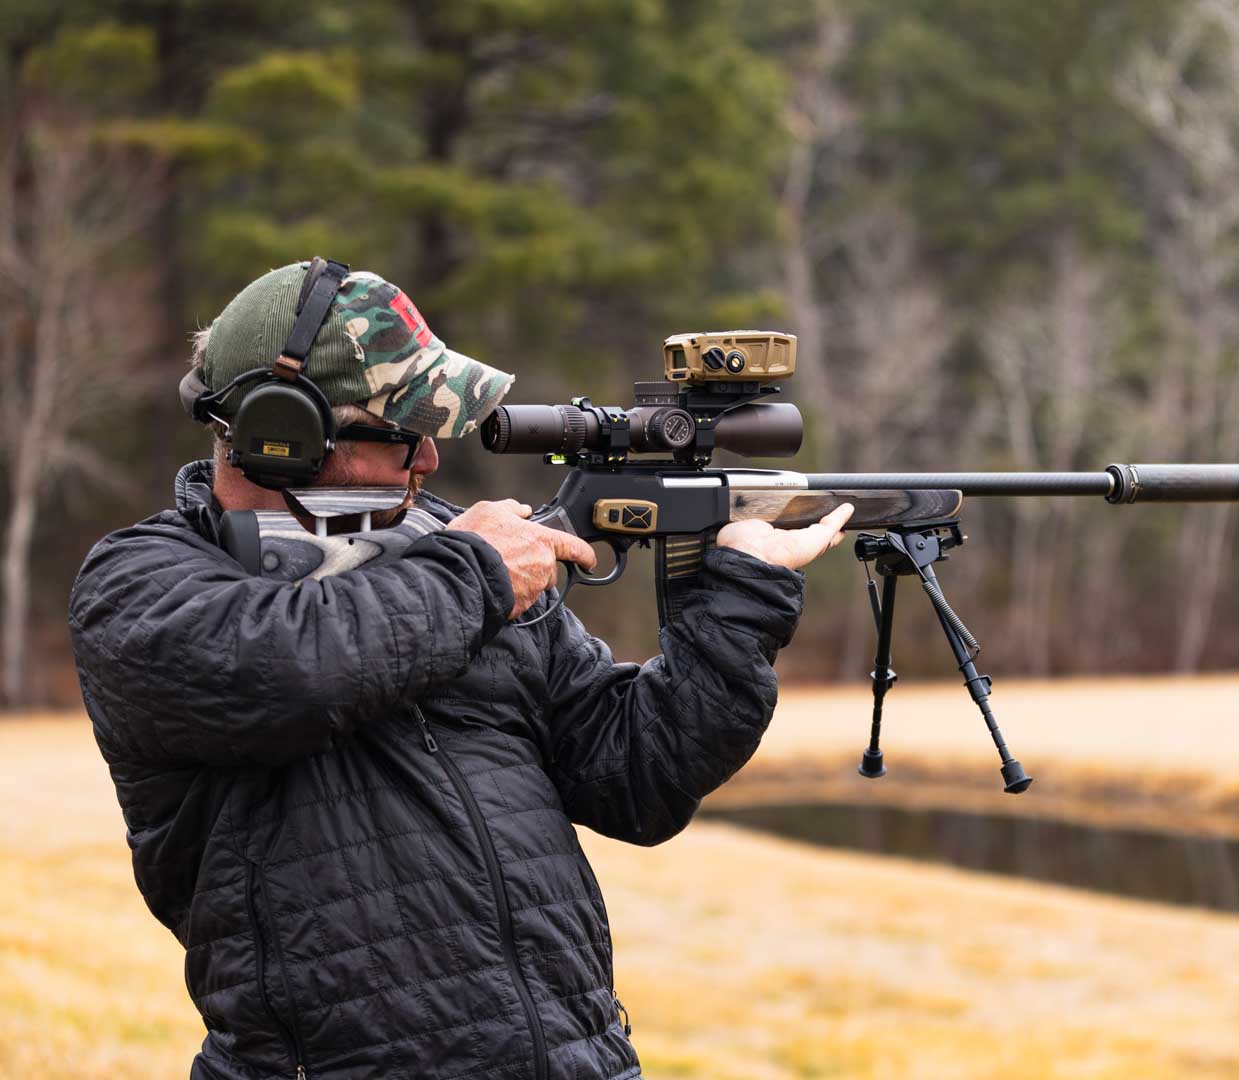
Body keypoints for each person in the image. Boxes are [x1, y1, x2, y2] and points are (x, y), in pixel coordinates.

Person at [68, 261, 852, 1080]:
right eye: (403, 431)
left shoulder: (446, 553)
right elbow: (280, 671)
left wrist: (737, 602)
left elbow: (638, 779)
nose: (430, 460)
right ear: (283, 436)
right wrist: (477, 573)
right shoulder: (139, 583)